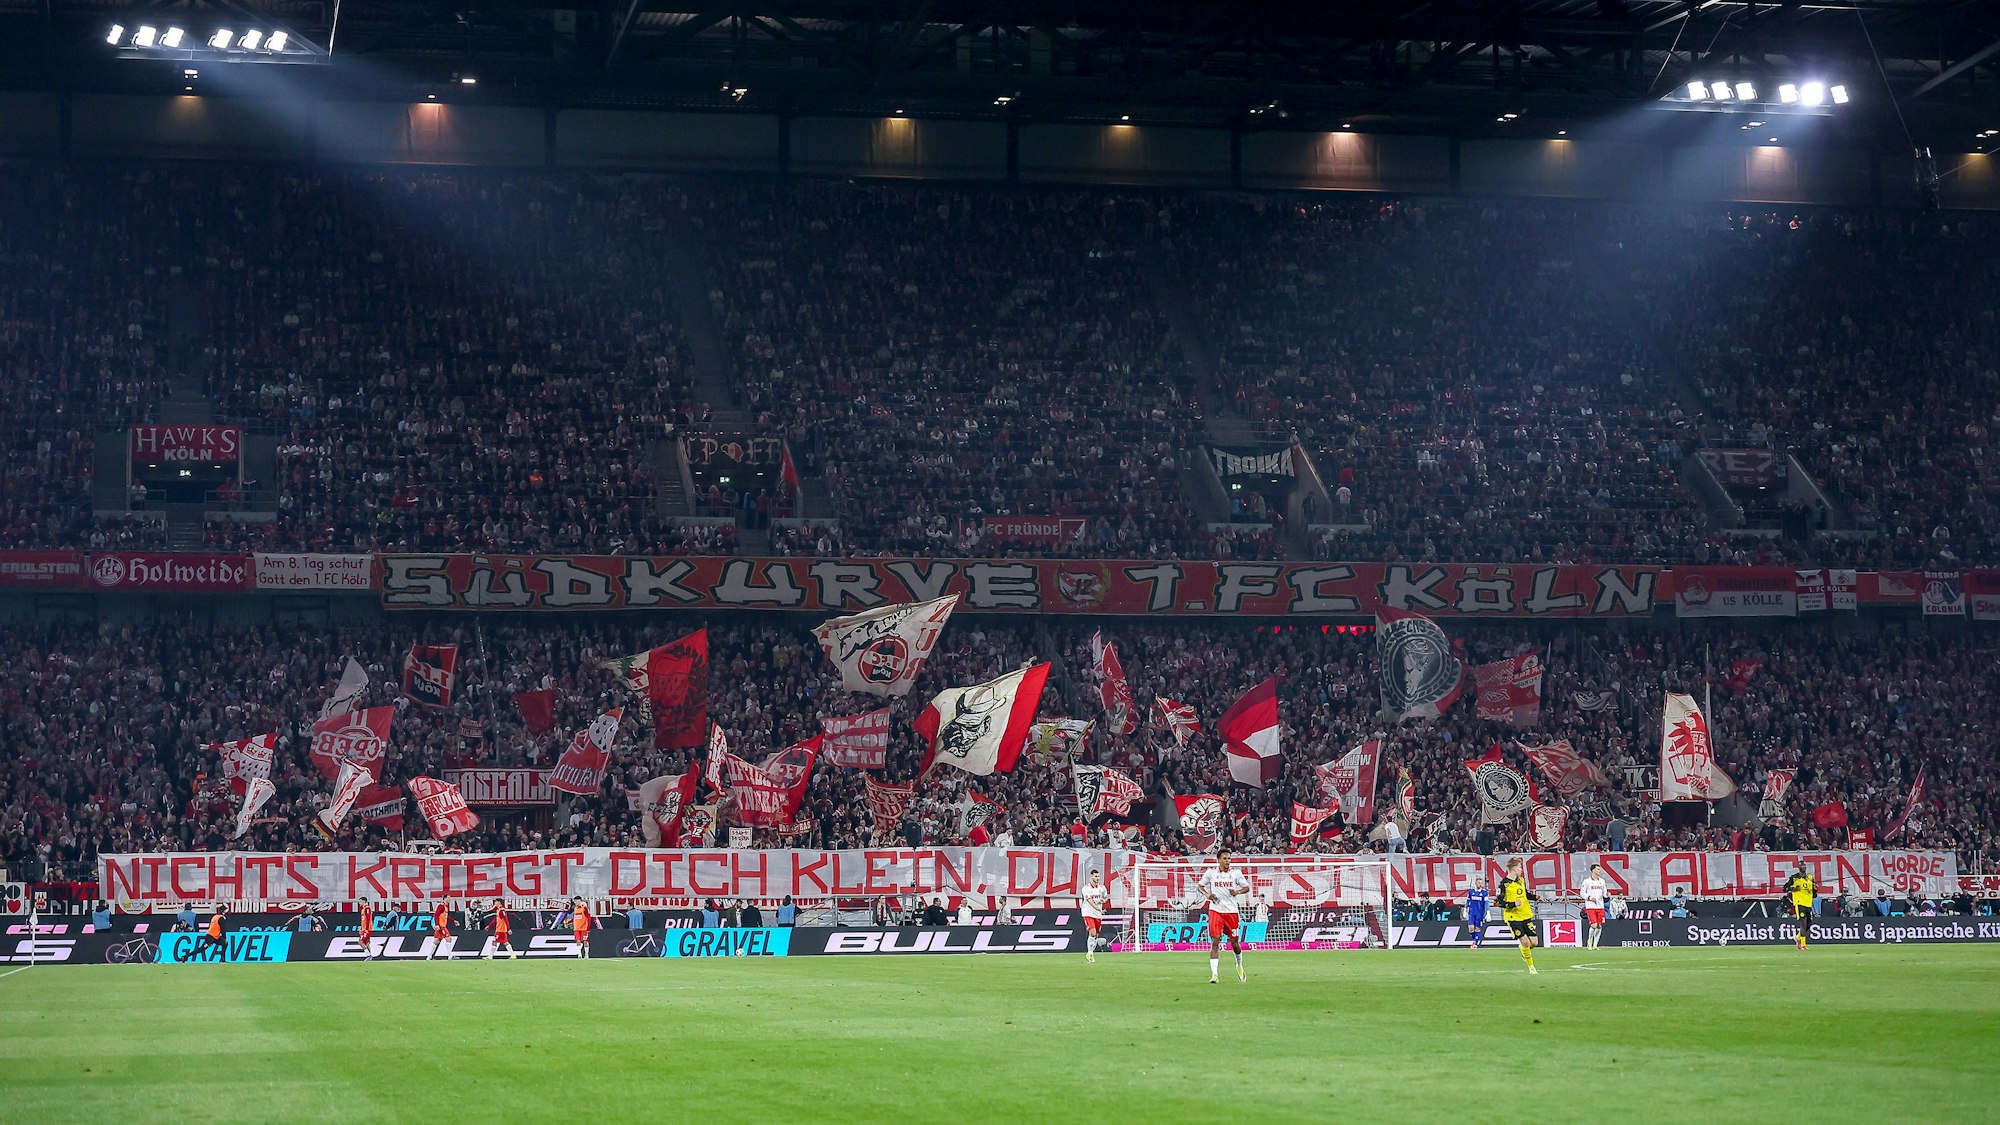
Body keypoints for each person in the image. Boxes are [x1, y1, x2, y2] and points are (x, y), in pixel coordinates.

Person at [1198, 851, 1252, 984]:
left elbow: (1246, 887)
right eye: (1225, 858)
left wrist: (1237, 891)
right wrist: (1207, 894)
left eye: (1229, 858)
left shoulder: (1236, 874)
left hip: (1232, 912)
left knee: (1234, 943)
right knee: (1215, 940)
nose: (1228, 861)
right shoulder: (1211, 873)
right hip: (1215, 910)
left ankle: (1239, 965)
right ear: (1218, 860)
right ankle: (1214, 975)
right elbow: (1200, 886)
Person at [1499, 857, 1539, 975]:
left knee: (1534, 942)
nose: (1521, 869)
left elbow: (1525, 894)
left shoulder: (1521, 880)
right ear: (1513, 868)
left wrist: (1535, 897)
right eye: (1519, 867)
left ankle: (1523, 950)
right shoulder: (1503, 884)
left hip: (1525, 914)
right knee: (1525, 942)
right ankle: (1531, 967)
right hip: (1513, 917)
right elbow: (1499, 902)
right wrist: (1513, 904)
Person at [1783, 865, 1816, 952]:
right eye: (1802, 865)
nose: (1804, 867)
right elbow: (1785, 888)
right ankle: (1803, 945)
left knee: (1809, 925)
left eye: (1805, 865)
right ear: (1799, 867)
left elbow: (1814, 894)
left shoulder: (1810, 877)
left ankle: (1797, 937)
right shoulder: (1794, 878)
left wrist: (1815, 889)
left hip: (1808, 903)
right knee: (1803, 923)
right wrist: (1794, 888)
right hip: (1799, 903)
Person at [1080, 870, 1110, 963]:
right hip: (1088, 913)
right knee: (1092, 933)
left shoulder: (1102, 888)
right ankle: (1089, 953)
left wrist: (1103, 901)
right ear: (1091, 877)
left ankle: (1091, 953)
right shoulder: (1086, 888)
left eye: (1098, 876)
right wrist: (1098, 908)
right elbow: (1089, 900)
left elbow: (1106, 897)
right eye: (1096, 876)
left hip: (1097, 915)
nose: (1097, 878)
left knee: (1096, 935)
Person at [1581, 864, 1610, 951]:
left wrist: (1607, 895)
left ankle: (1595, 945)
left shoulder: (1602, 881)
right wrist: (1589, 897)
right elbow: (1582, 893)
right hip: (1590, 906)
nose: (1599, 871)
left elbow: (1604, 893)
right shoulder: (1587, 881)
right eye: (1598, 869)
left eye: (1599, 869)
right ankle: (1589, 941)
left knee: (1599, 926)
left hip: (1600, 906)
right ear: (1593, 870)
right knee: (1594, 925)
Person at [1464, 875, 1490, 949]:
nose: (1480, 884)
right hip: (1471, 913)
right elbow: (1468, 901)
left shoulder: (1484, 893)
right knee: (1471, 928)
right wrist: (1465, 910)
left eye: (1481, 883)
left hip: (1480, 914)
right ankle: (1475, 939)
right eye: (1479, 883)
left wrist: (1488, 913)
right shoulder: (1471, 892)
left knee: (1477, 928)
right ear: (1475, 883)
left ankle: (1475, 943)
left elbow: (1487, 903)